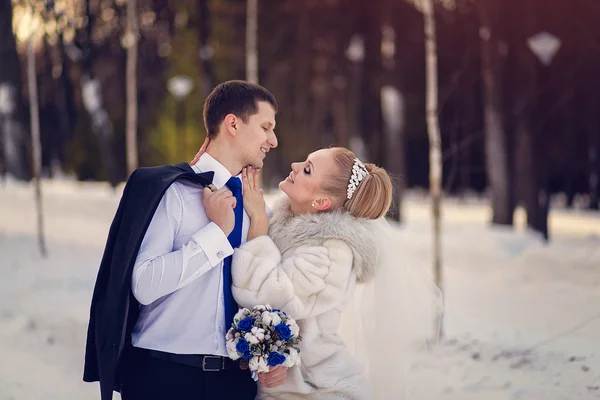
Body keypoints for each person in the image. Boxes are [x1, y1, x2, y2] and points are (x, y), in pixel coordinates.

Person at [83, 80, 287, 400]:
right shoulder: (171, 192)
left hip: (234, 385)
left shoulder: (260, 210)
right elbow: (145, 284)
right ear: (232, 123)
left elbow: (264, 292)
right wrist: (216, 235)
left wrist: (274, 352)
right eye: (266, 127)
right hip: (164, 378)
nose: (273, 141)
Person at [231, 147, 444, 399]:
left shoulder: (333, 252)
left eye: (307, 169)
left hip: (317, 387)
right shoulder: (283, 224)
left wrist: (257, 223)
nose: (295, 165)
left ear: (321, 202)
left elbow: (269, 296)